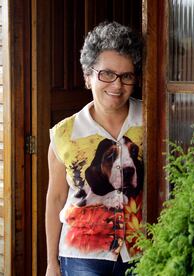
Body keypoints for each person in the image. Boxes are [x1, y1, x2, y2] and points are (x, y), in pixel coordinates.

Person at [45, 22, 144, 276]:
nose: (117, 85)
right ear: (88, 77)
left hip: (144, 250)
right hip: (82, 255)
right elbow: (56, 198)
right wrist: (51, 264)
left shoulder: (153, 120)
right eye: (107, 74)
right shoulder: (64, 134)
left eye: (127, 76)